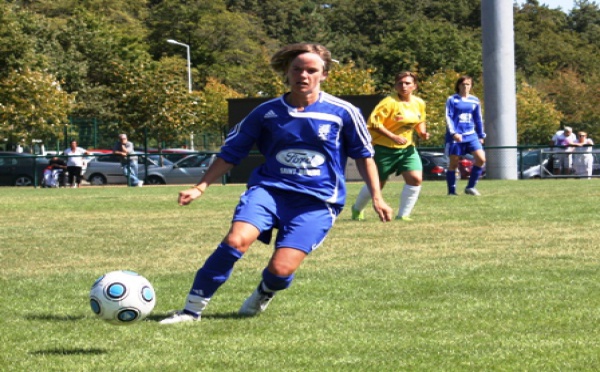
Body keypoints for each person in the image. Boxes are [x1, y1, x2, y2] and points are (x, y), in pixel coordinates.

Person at [160, 42, 393, 325]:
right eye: (297, 69)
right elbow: (231, 153)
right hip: (269, 191)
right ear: (287, 72)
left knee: (280, 270)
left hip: (317, 201)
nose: (303, 75)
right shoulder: (266, 112)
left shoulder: (343, 112)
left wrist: (377, 198)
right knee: (235, 240)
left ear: (324, 75)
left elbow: (364, 157)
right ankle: (191, 310)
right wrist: (200, 187)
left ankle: (264, 292)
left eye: (311, 70)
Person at [350, 71, 429, 221]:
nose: (403, 86)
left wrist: (422, 132)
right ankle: (357, 209)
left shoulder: (419, 102)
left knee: (415, 178)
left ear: (415, 86)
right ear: (395, 86)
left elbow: (420, 120)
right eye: (400, 83)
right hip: (383, 149)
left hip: (407, 149)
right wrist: (392, 136)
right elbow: (373, 123)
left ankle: (403, 215)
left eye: (407, 83)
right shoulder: (388, 103)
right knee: (377, 184)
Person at [445, 76, 486, 196]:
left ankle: (470, 187)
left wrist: (481, 135)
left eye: (468, 84)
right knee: (453, 163)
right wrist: (454, 133)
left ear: (471, 86)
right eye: (463, 84)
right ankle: (452, 192)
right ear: (458, 85)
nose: (465, 87)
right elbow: (448, 117)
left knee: (481, 159)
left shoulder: (474, 100)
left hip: (471, 135)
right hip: (456, 136)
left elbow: (478, 118)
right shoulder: (452, 99)